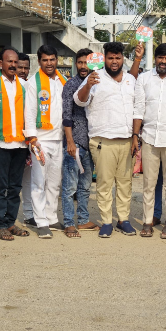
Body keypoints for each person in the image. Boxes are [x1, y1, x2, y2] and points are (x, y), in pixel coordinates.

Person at [75, 41, 137, 238]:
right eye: (111, 57)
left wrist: (135, 137)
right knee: (104, 183)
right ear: (104, 58)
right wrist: (88, 86)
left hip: (127, 140)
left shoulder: (130, 80)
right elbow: (79, 100)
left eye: (118, 57)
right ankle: (107, 222)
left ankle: (124, 220)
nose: (114, 61)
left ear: (122, 59)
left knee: (125, 183)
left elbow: (138, 108)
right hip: (103, 140)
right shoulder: (95, 77)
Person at [133, 43, 166, 239]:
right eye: (160, 57)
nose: (163, 61)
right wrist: (135, 136)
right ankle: (147, 222)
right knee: (148, 183)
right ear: (155, 58)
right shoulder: (144, 79)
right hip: (148, 138)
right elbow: (138, 108)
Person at [0, 47, 31, 241]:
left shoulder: (24, 85)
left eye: (15, 62)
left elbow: (28, 113)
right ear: (0, 63)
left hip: (20, 143)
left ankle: (10, 222)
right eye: (9, 61)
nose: (13, 65)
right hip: (1, 142)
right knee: (1, 185)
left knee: (15, 186)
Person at [24, 45, 67, 238]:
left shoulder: (62, 80)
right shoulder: (34, 82)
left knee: (54, 182)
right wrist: (33, 139)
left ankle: (51, 217)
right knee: (38, 182)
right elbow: (30, 112)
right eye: (45, 60)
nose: (49, 63)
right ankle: (40, 221)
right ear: (39, 61)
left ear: (57, 59)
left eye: (52, 59)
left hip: (58, 139)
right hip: (41, 140)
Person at [61, 48, 99, 238]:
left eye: (87, 63)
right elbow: (66, 116)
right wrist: (69, 141)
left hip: (91, 142)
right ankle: (69, 223)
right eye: (80, 62)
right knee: (69, 187)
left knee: (85, 187)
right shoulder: (71, 85)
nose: (83, 67)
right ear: (76, 64)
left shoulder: (98, 83)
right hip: (74, 143)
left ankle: (83, 220)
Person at [16, 52, 35, 225]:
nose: (22, 70)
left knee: (29, 180)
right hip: (10, 142)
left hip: (29, 142)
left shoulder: (32, 86)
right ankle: (7, 219)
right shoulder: (3, 86)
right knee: (12, 183)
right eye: (19, 67)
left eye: (25, 67)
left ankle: (29, 215)